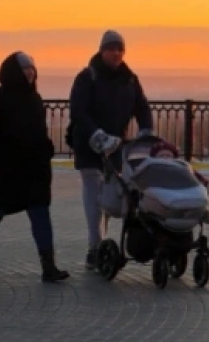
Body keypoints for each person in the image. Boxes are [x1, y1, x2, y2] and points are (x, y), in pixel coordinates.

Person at [0, 51, 69, 282]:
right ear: (13, 72)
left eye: (32, 69)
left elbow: (38, 133)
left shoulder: (35, 100)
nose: (30, 74)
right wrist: (6, 149)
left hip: (32, 170)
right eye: (25, 70)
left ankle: (48, 266)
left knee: (40, 213)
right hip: (2, 171)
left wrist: (46, 148)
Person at [67, 30, 155, 269]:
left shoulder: (129, 79)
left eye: (120, 49)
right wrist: (96, 133)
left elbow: (143, 109)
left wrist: (146, 133)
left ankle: (104, 245)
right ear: (102, 50)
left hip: (116, 146)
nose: (116, 53)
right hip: (89, 145)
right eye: (111, 48)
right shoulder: (87, 77)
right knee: (94, 193)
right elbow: (78, 111)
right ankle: (94, 246)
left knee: (110, 196)